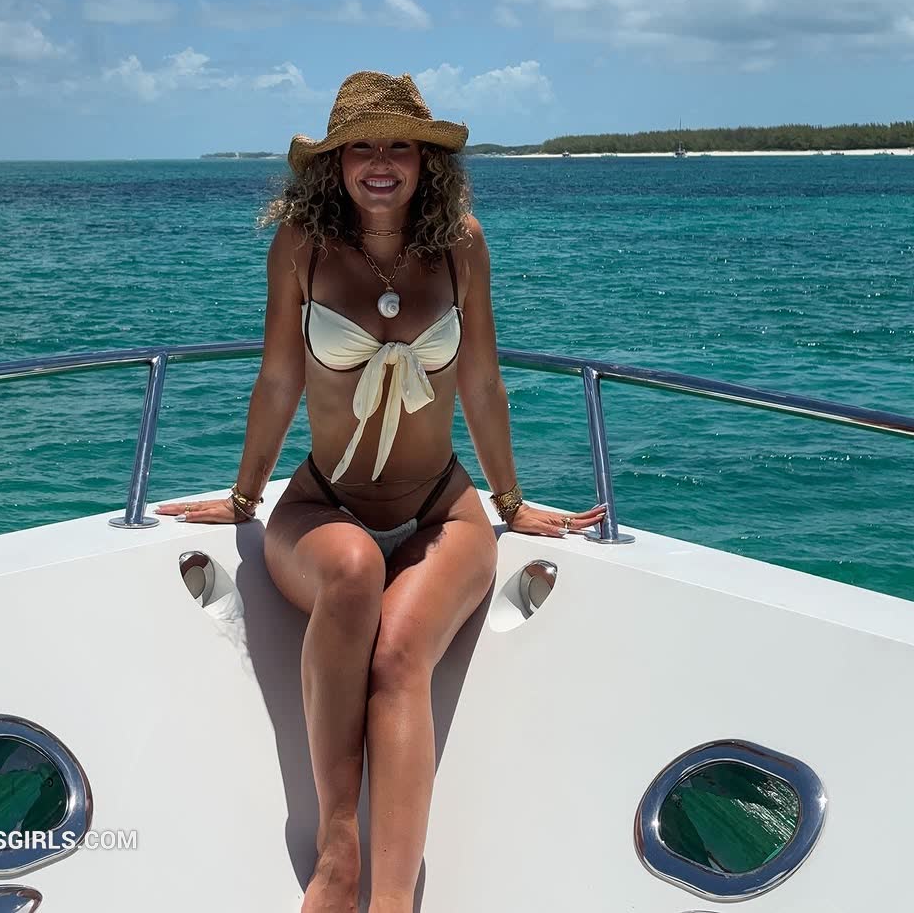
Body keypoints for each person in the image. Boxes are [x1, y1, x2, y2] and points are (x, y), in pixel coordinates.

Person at [155, 70, 605, 913]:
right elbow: (279, 379)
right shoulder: (302, 245)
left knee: (399, 658)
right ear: (335, 163)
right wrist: (244, 500)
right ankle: (338, 851)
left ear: (427, 162)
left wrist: (511, 505)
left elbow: (482, 383)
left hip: (441, 510)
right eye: (361, 147)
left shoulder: (461, 244)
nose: (381, 162)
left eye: (400, 146)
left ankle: (393, 901)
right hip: (324, 505)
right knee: (354, 568)